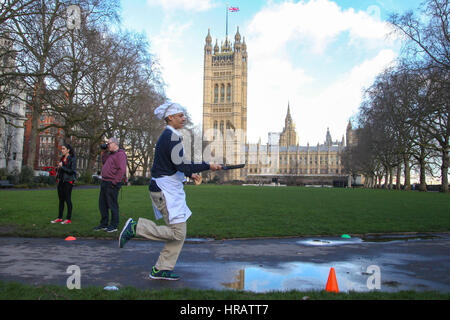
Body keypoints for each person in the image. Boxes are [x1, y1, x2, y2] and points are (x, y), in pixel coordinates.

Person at [119, 102, 222, 281]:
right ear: (170, 118)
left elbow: (175, 165)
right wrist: (208, 165)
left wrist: (191, 174)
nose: (184, 118)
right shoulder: (170, 137)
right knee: (178, 232)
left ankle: (162, 269)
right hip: (165, 190)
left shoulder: (172, 136)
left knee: (179, 232)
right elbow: (180, 164)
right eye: (180, 115)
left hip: (170, 189)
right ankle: (136, 227)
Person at [94, 137, 127, 233]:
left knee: (112, 205)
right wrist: (103, 151)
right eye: (107, 143)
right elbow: (104, 161)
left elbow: (122, 170)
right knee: (102, 205)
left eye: (109, 143)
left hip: (112, 183)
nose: (107, 145)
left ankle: (114, 225)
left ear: (115, 144)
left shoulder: (120, 154)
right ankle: (104, 224)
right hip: (104, 182)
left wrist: (114, 182)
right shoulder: (110, 154)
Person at [51, 144, 77, 225]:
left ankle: (68, 219)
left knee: (67, 199)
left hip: (68, 181)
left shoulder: (72, 158)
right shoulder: (62, 158)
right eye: (61, 149)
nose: (62, 150)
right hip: (61, 180)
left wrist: (62, 167)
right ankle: (59, 217)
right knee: (61, 199)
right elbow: (62, 168)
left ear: (68, 150)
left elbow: (72, 171)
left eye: (63, 149)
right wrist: (58, 168)